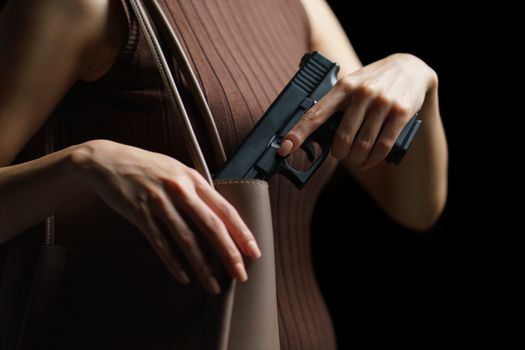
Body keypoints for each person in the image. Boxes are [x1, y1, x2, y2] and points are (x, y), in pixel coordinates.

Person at [0, 0, 448, 349]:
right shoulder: (84, 6)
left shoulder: (301, 6)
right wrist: (84, 164)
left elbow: (414, 207)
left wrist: (417, 75)